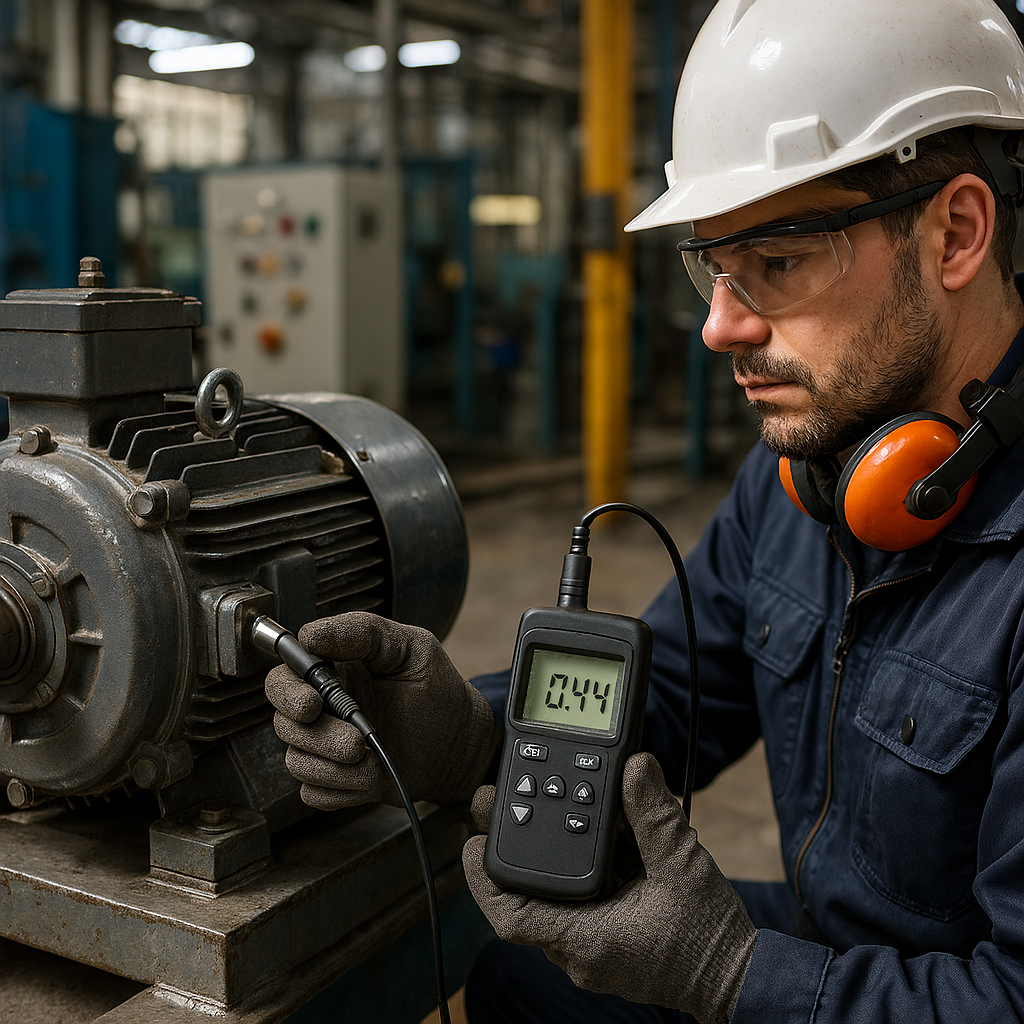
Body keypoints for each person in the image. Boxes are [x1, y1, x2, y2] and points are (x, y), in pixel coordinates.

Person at [264, 0, 1024, 1020]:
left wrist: (730, 976)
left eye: (779, 263)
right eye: (712, 268)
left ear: (956, 233)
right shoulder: (807, 476)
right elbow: (665, 696)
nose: (717, 326)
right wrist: (463, 732)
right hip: (842, 946)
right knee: (514, 976)